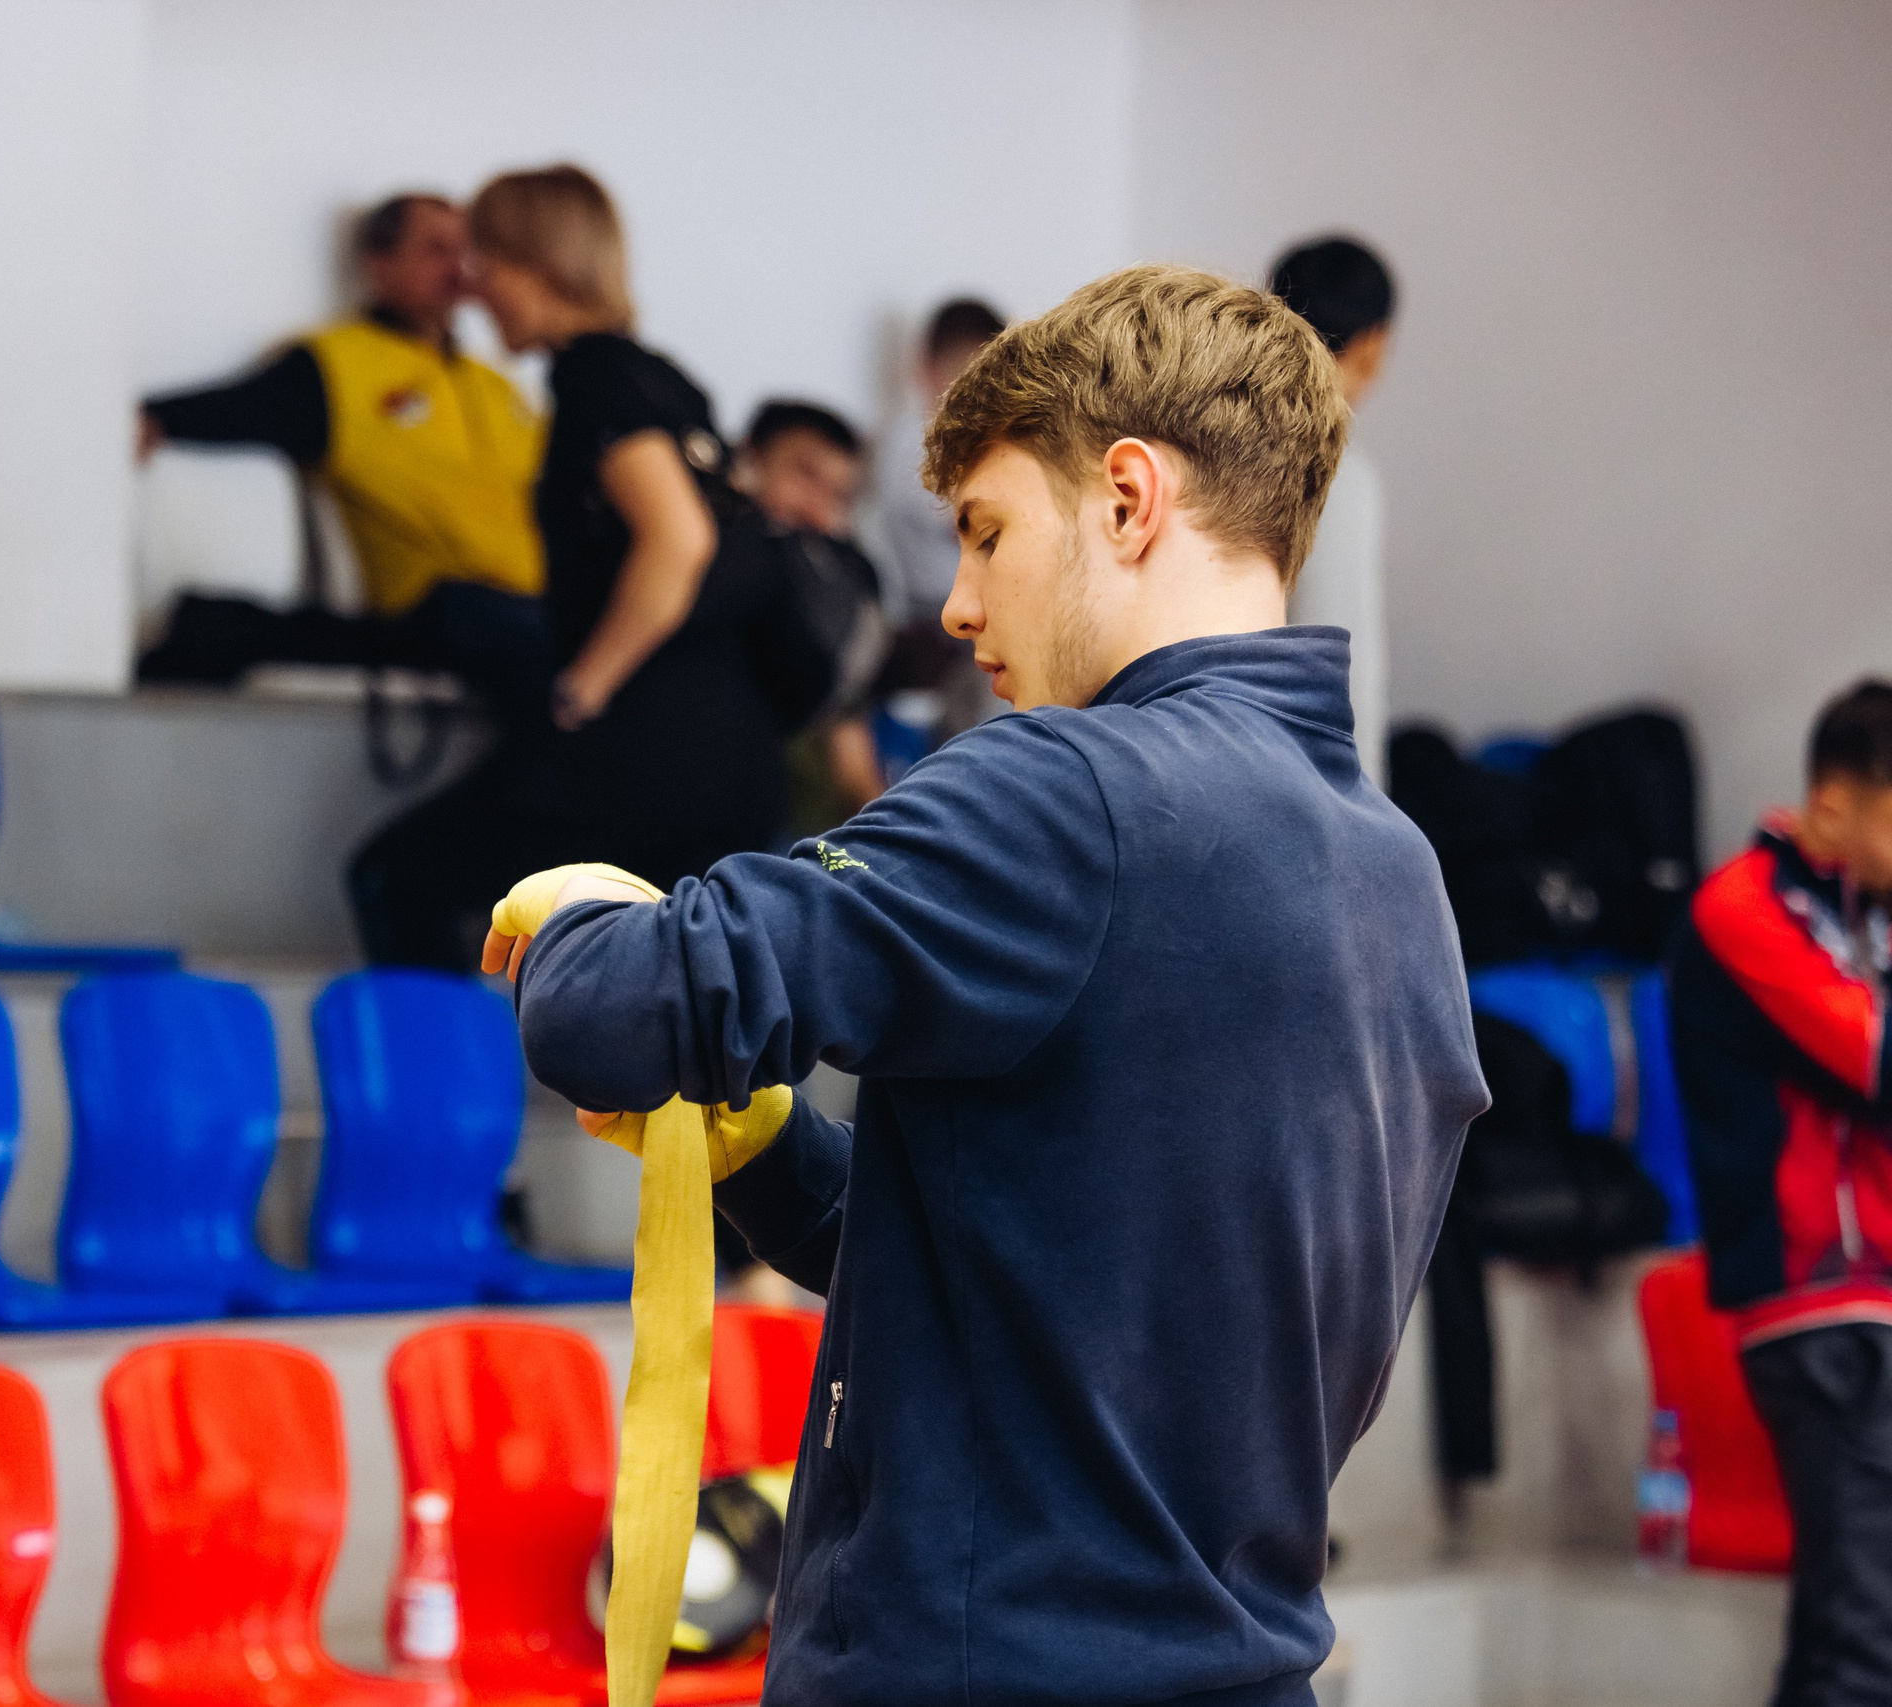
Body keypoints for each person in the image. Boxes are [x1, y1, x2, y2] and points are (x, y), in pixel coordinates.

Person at [484, 264, 1486, 1705]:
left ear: (1129, 498)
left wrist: (574, 910)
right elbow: (1048, 1280)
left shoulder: (1068, 786)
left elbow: (615, 1007)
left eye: (986, 530)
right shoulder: (1393, 869)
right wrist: (766, 1151)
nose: (955, 605)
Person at [344, 166, 803, 970]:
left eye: (484, 265)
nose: (475, 292)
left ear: (531, 264)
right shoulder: (661, 377)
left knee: (397, 877)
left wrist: (582, 687)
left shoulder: (593, 379)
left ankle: (446, 1093)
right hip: (734, 759)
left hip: (648, 752)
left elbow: (678, 538)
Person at [1668, 679, 1892, 1707]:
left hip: (1872, 1301)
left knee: (1836, 1636)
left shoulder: (1872, 920)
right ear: (1836, 805)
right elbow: (1875, 1061)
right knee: (1865, 1644)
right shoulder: (1741, 909)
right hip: (1813, 1305)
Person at [136, 192, 549, 720]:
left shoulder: (503, 388)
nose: (458, 270)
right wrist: (148, 421)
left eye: (465, 253)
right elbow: (233, 409)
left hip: (537, 611)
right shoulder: (336, 368)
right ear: (377, 263)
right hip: (442, 611)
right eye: (434, 250)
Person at [1270, 236, 1395, 785]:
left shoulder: (1225, 449)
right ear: (1371, 348)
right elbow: (1340, 663)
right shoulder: (1336, 474)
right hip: (1316, 783)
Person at [735, 399, 890, 831]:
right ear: (748, 458)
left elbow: (848, 725)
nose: (816, 509)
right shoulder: (693, 556)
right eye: (804, 474)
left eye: (839, 497)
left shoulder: (845, 582)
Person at [863, 297, 1009, 746]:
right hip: (936, 625)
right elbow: (983, 524)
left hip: (972, 621)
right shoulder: (911, 444)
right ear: (923, 368)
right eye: (959, 376)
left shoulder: (978, 449)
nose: (974, 396)